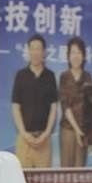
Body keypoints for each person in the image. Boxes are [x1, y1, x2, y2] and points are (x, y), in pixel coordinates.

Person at [11, 34, 58, 168]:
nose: (35, 52)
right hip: (24, 139)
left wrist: (47, 133)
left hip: (44, 140)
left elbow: (54, 107)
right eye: (32, 48)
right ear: (28, 51)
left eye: (39, 49)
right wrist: (24, 133)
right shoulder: (20, 75)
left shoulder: (50, 76)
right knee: (23, 178)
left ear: (44, 52)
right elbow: (16, 107)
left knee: (43, 179)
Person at [58, 37, 92, 168]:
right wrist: (77, 130)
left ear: (83, 56)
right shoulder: (64, 77)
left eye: (79, 52)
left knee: (80, 169)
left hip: (84, 130)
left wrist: (84, 130)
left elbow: (91, 104)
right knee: (66, 169)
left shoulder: (88, 77)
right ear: (68, 56)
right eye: (72, 52)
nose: (76, 56)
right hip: (68, 128)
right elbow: (65, 106)